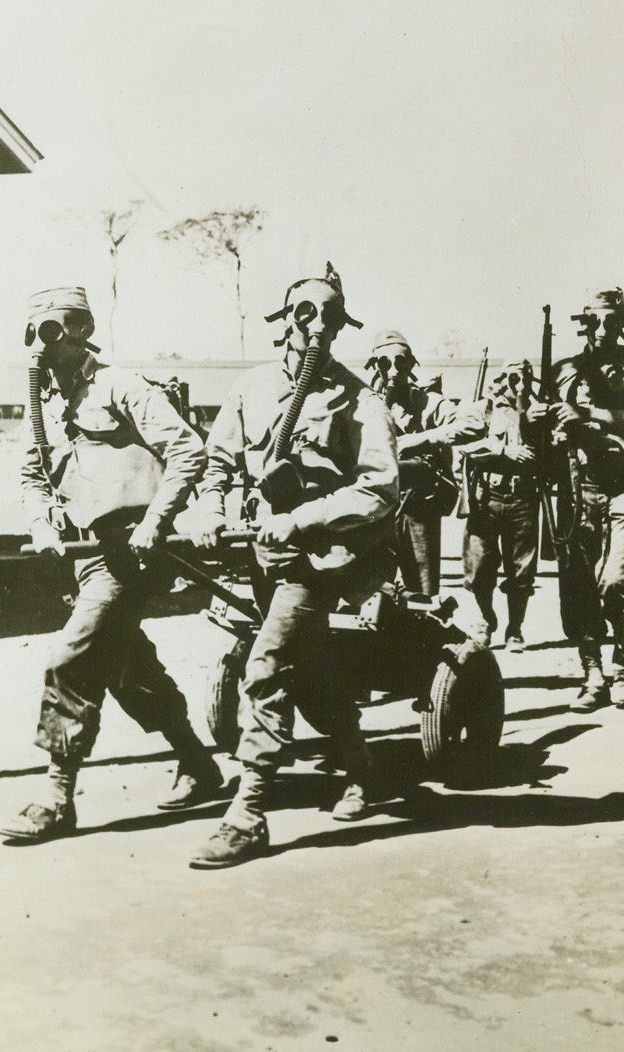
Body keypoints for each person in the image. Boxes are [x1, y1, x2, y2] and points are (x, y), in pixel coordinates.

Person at [185, 264, 399, 870]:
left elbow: (380, 489)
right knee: (313, 668)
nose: (315, 327)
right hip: (261, 552)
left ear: (340, 328)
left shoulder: (361, 401)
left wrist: (304, 519)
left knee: (267, 665)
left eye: (330, 316)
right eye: (304, 312)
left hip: (325, 558)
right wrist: (210, 507)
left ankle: (249, 812)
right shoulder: (251, 390)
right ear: (282, 321)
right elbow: (218, 462)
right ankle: (360, 764)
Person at [0, 287, 220, 844]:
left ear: (79, 330)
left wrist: (155, 522)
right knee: (124, 663)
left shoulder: (121, 385)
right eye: (33, 334)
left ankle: (55, 797)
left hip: (135, 551)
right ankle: (199, 763)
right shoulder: (43, 402)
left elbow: (189, 449)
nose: (40, 347)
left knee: (73, 658)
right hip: (85, 555)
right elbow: (30, 475)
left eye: (51, 331)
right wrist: (42, 523)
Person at [550, 288, 624, 710]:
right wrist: (539, 420)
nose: (602, 330)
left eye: (611, 321)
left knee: (617, 579)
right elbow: (548, 425)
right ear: (582, 323)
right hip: (578, 485)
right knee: (578, 583)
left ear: (622, 322)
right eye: (593, 321)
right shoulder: (564, 369)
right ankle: (592, 672)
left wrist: (589, 415)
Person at [364, 329, 480, 598]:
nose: (393, 370)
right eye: (384, 362)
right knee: (372, 591)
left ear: (411, 364)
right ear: (374, 366)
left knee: (423, 594)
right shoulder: (365, 403)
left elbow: (474, 424)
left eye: (400, 361)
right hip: (375, 509)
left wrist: (419, 439)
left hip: (417, 508)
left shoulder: (428, 403)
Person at [457, 358, 541, 651]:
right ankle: (485, 621)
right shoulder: (484, 408)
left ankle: (515, 629)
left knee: (521, 571)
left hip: (524, 499)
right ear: (504, 377)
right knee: (479, 569)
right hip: (488, 500)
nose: (519, 382)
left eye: (526, 376)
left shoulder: (538, 410)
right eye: (514, 376)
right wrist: (504, 450)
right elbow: (465, 445)